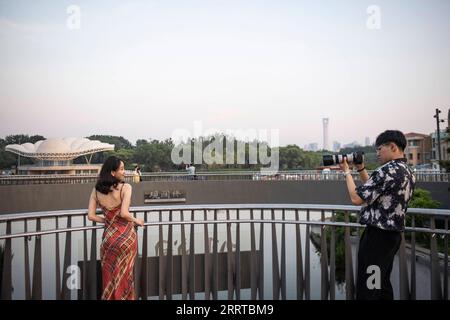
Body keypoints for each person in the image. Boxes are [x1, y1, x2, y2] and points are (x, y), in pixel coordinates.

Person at [339, 130, 415, 300]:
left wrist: (346, 172)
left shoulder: (386, 170)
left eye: (380, 148)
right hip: (392, 237)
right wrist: (361, 169)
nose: (377, 153)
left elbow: (356, 198)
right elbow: (373, 191)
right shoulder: (406, 171)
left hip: (377, 238)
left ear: (393, 147)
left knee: (369, 286)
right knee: (382, 284)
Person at [87, 156, 144, 300]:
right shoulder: (125, 187)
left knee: (109, 278)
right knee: (125, 276)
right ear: (113, 173)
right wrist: (137, 220)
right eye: (122, 169)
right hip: (126, 238)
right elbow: (124, 213)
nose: (124, 172)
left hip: (108, 239)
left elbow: (91, 216)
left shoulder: (97, 190)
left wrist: (109, 221)